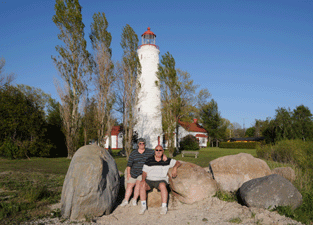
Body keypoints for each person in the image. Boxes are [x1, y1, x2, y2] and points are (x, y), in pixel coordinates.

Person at [120, 138, 167, 207]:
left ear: (145, 144)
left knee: (139, 183)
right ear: (138, 145)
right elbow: (129, 165)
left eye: (143, 143)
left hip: (142, 173)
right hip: (133, 173)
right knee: (130, 185)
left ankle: (134, 199)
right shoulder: (133, 153)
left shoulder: (149, 152)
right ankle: (126, 200)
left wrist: (164, 155)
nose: (142, 145)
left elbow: (158, 152)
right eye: (140, 143)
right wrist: (128, 174)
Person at [139, 145, 181, 215]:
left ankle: (164, 207)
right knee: (142, 184)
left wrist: (175, 168)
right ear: (154, 151)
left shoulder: (166, 160)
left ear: (163, 151)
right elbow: (144, 172)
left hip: (161, 180)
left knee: (162, 185)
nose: (158, 152)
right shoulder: (149, 160)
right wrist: (143, 179)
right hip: (150, 180)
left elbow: (178, 162)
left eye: (160, 150)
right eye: (156, 150)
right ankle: (143, 206)